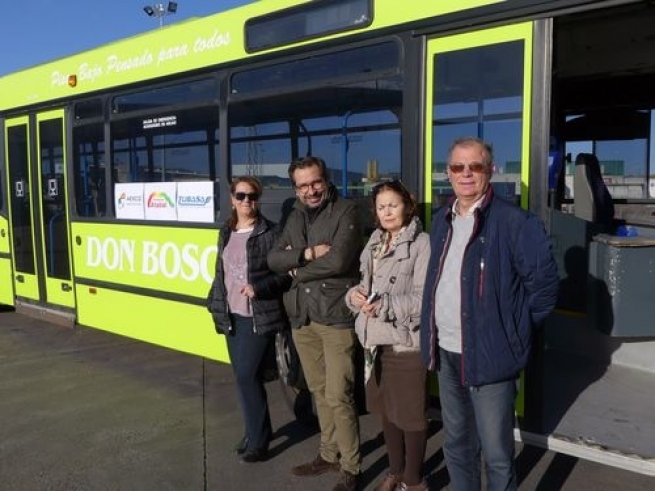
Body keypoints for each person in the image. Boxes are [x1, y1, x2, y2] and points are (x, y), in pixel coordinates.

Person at [420, 137, 559, 491]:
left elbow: (543, 290)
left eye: (475, 166)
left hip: (493, 357)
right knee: (457, 443)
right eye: (457, 167)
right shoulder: (440, 221)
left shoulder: (515, 222)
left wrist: (511, 334)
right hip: (447, 352)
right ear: (447, 173)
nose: (466, 174)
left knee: (496, 454)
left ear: (490, 171)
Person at [267, 156, 362, 491]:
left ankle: (351, 467)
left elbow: (339, 260)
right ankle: (328, 454)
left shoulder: (347, 211)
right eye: (303, 185)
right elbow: (273, 258)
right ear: (295, 188)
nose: (311, 190)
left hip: (335, 315)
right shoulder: (294, 215)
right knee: (318, 391)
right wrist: (306, 254)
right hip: (302, 316)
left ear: (326, 179)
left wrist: (295, 270)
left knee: (339, 395)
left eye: (316, 182)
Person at [345, 180, 431, 491]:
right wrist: (354, 296)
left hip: (404, 343)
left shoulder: (422, 244)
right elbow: (364, 284)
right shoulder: (374, 241)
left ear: (408, 206)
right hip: (374, 343)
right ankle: (395, 472)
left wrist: (384, 305)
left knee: (410, 418)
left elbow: (424, 300)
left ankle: (414, 480)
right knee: (387, 413)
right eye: (381, 207)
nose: (387, 211)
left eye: (393, 205)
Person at [206, 176, 291, 464]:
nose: (247, 201)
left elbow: (284, 274)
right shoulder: (226, 232)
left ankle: (259, 441)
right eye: (241, 196)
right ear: (232, 199)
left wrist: (259, 288)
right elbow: (222, 272)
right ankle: (254, 431)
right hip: (231, 315)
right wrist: (215, 300)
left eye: (252, 196)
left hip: (258, 315)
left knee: (246, 377)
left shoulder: (271, 233)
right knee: (244, 379)